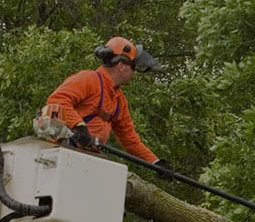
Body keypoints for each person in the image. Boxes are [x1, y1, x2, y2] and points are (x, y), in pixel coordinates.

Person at [44, 36, 173, 177]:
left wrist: (155, 162)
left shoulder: (119, 100)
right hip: (66, 150)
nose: (134, 73)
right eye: (133, 67)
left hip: (90, 156)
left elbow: (130, 139)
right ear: (121, 66)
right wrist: (79, 126)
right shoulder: (88, 79)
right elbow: (57, 100)